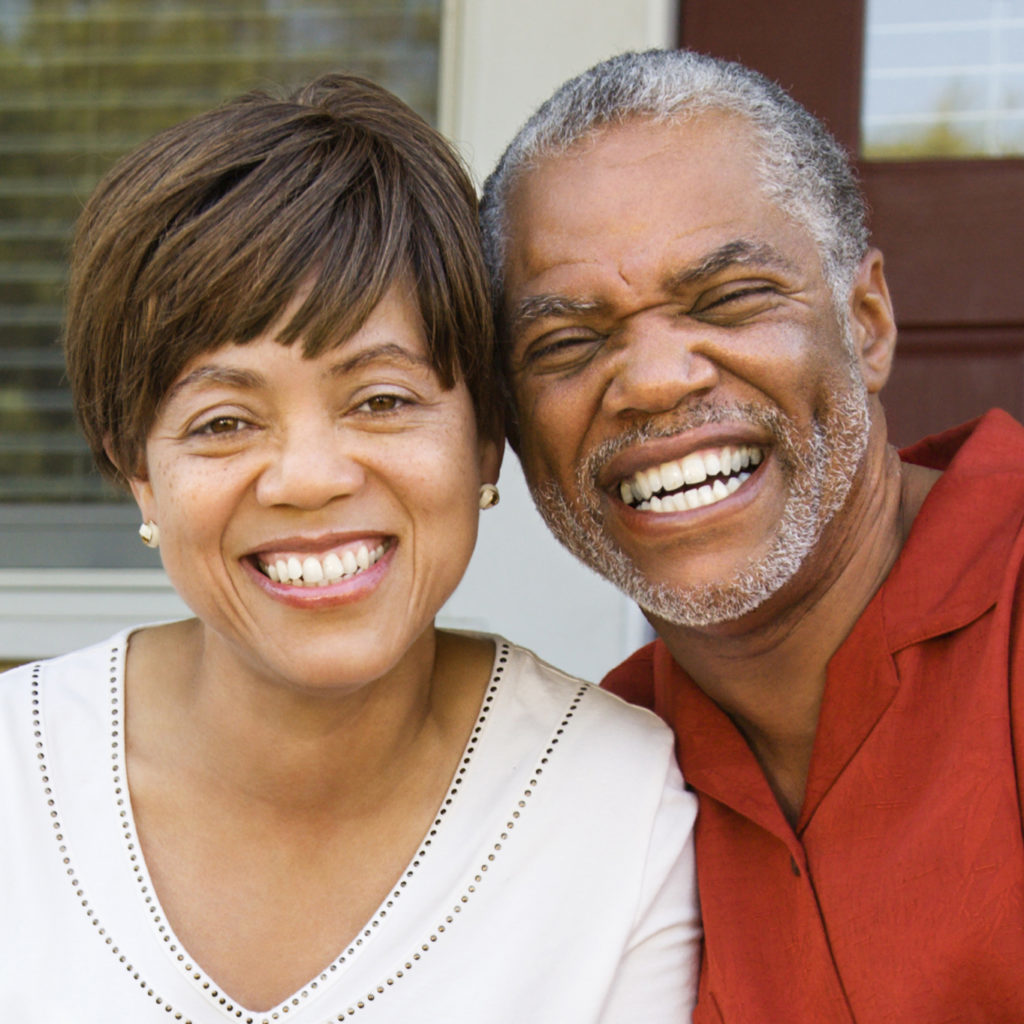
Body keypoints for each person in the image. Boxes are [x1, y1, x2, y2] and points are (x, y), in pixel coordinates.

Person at [0, 73, 701, 1022]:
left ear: (484, 437)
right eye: (222, 421)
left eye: (381, 400)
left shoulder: (612, 804)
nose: (307, 476)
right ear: (139, 471)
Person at [480, 47, 1024, 1022]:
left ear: (864, 322)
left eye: (729, 300)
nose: (653, 381)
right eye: (565, 343)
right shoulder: (589, 778)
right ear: (511, 432)